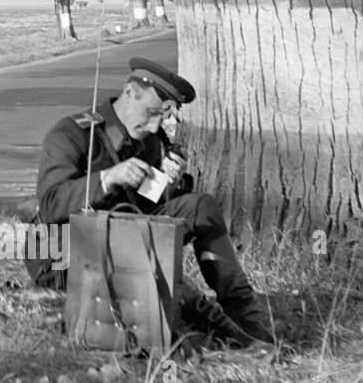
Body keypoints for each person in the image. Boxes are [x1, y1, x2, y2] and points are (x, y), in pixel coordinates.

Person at [28, 57, 275, 348]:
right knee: (169, 284)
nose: (156, 124)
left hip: (124, 238)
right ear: (130, 93)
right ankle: (234, 338)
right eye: (152, 113)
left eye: (163, 117)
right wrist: (107, 178)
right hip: (62, 252)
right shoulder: (73, 133)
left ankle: (248, 318)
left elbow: (144, 209)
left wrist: (167, 183)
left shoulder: (148, 139)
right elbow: (51, 205)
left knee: (201, 207)